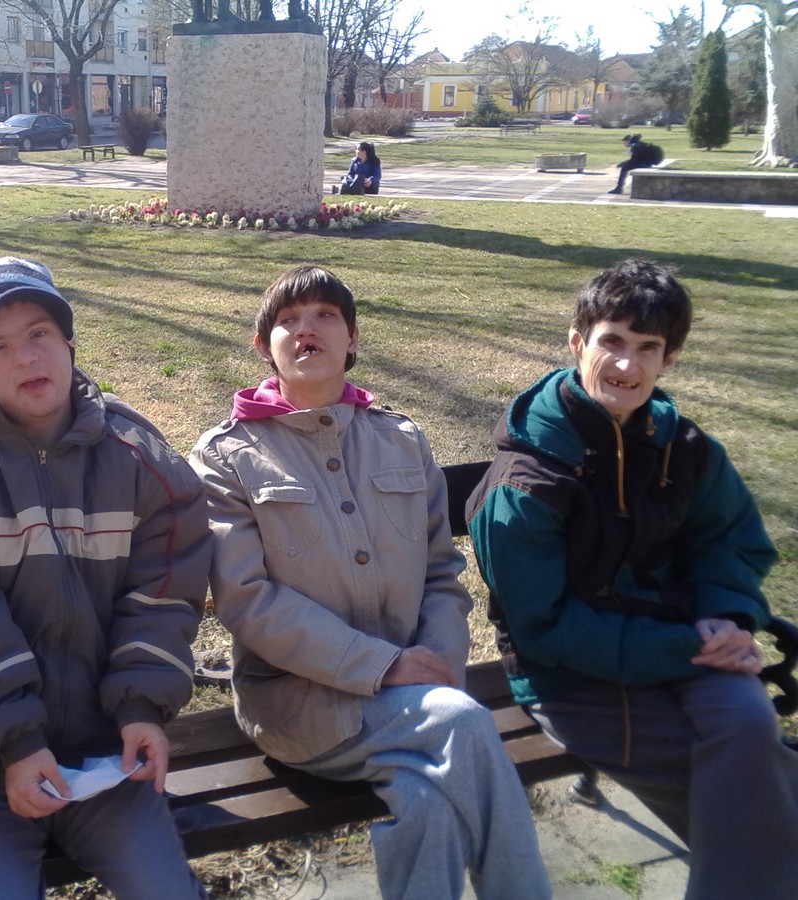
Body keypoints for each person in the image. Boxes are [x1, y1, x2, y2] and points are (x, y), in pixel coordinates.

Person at [189, 265, 550, 900]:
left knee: (430, 801)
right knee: (463, 725)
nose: (307, 330)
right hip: (300, 709)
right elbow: (248, 603)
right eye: (288, 321)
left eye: (325, 316)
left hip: (419, 705)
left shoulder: (401, 440)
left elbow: (441, 574)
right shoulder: (226, 457)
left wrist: (435, 667)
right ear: (263, 346)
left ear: (352, 338)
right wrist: (385, 667)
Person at [0, 257, 211, 900]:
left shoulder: (139, 456)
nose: (26, 357)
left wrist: (141, 706)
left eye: (39, 334)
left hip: (109, 761)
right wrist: (17, 742)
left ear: (68, 343)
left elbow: (165, 594)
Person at [466, 259, 798, 899]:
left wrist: (727, 617)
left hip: (688, 644)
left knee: (749, 729)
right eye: (612, 341)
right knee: (745, 781)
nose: (627, 365)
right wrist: (688, 645)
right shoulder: (526, 483)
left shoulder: (686, 448)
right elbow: (543, 627)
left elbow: (729, 540)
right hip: (572, 676)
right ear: (577, 343)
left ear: (669, 359)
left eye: (648, 348)